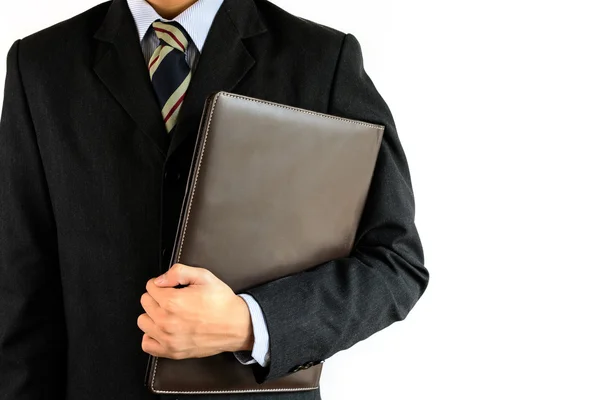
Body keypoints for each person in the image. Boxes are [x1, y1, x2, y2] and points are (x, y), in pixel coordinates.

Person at [0, 0, 429, 399]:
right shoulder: (39, 65)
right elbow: (21, 290)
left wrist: (250, 323)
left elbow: (394, 263)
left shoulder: (321, 58)